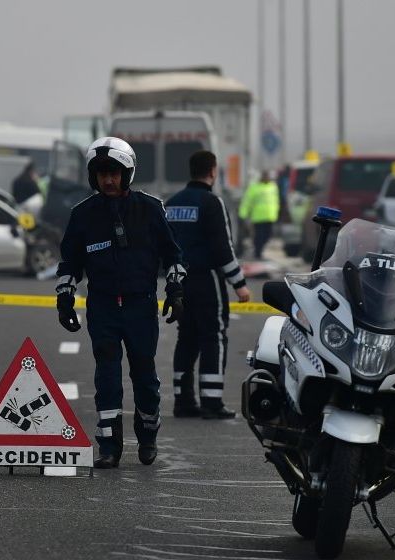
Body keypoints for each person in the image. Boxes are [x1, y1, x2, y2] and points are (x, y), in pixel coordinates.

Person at [55, 137, 186, 469]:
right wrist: (65, 298)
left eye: (113, 173)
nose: (107, 180)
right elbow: (69, 262)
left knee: (144, 375)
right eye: (101, 174)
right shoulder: (82, 215)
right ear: (92, 177)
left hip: (140, 306)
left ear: (127, 173)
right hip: (101, 307)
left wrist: (176, 290)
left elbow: (173, 255)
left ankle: (148, 436)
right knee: (107, 377)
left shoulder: (151, 208)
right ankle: (109, 446)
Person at [165, 151, 251, 419]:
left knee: (186, 336)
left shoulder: (171, 204)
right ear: (213, 171)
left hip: (178, 280)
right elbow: (223, 248)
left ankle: (183, 400)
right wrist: (240, 284)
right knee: (213, 336)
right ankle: (212, 402)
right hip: (206, 279)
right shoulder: (212, 202)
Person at [239, 170, 280, 259]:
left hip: (270, 216)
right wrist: (243, 213)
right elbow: (247, 201)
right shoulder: (254, 187)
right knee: (259, 236)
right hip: (258, 217)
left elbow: (276, 201)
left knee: (267, 236)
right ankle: (258, 253)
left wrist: (277, 213)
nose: (266, 178)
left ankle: (259, 251)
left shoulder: (273, 187)